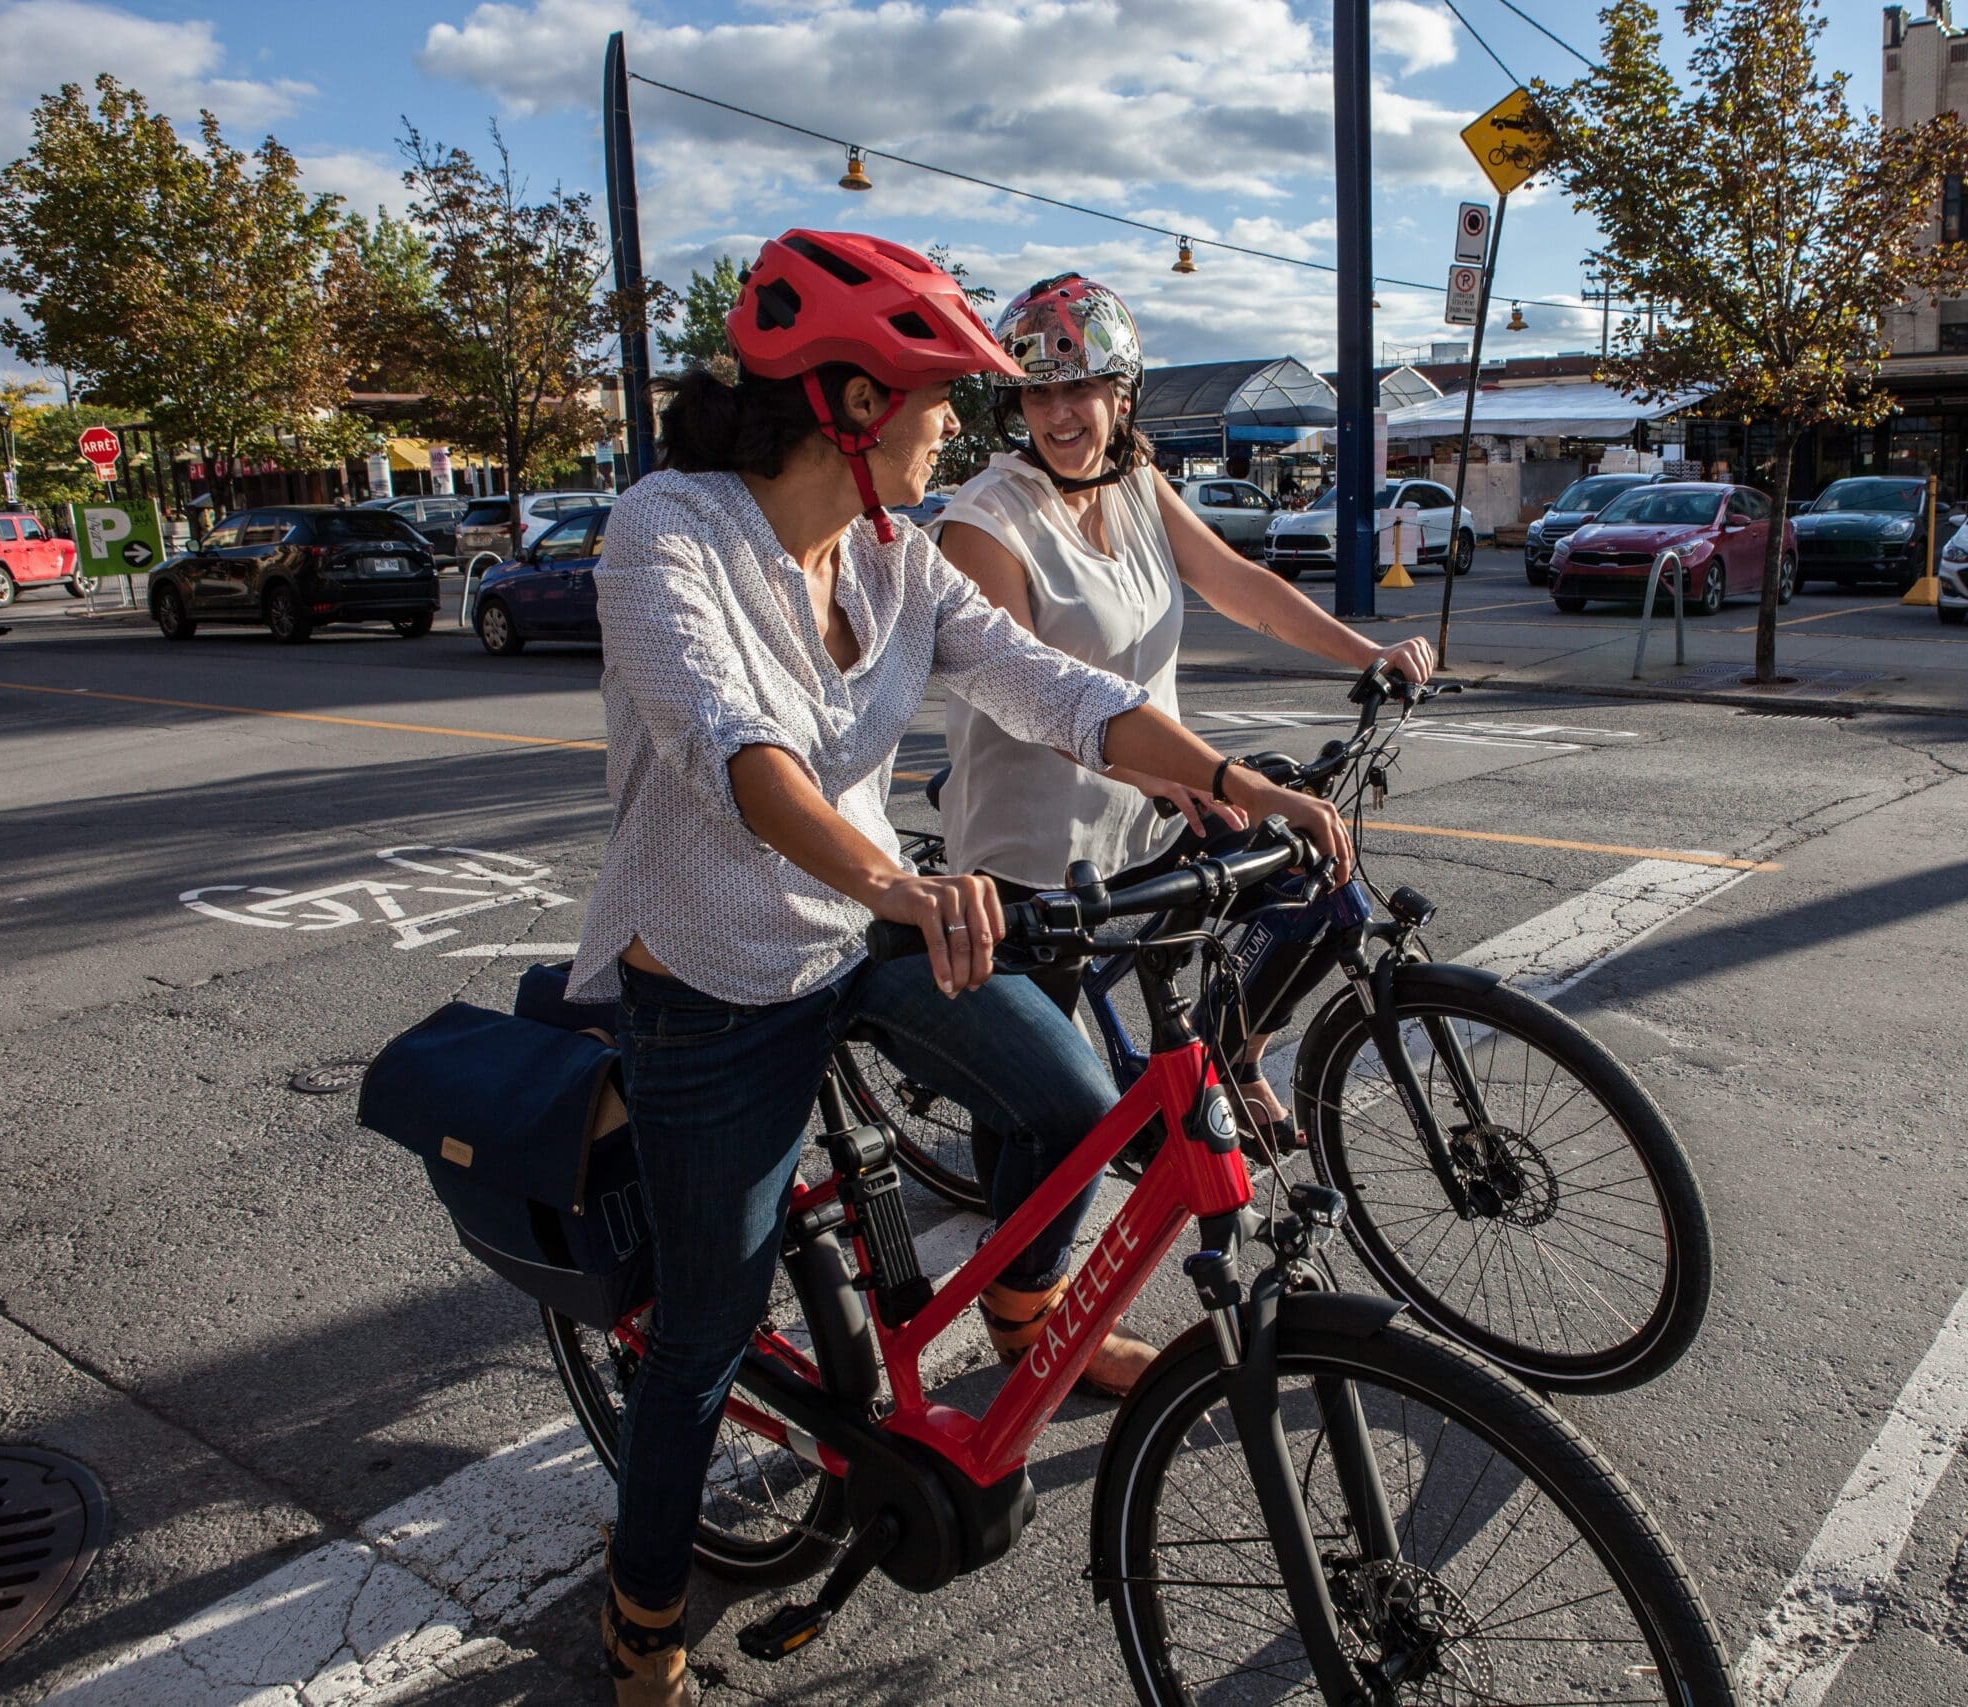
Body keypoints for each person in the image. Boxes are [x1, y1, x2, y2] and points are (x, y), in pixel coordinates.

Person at [564, 230, 1349, 1707]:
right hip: (715, 979)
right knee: (705, 1335)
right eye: (938, 399)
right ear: (853, 402)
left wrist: (1234, 780)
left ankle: (998, 1318)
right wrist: (900, 882)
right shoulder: (665, 532)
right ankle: (643, 1615)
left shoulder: (892, 552)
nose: (957, 428)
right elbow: (737, 750)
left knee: (1073, 1110)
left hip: (863, 924)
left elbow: (1056, 686)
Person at [934, 274, 1429, 1147]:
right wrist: (1191, 774)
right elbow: (1031, 700)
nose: (1059, 414)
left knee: (1305, 874)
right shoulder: (987, 523)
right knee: (1039, 1112)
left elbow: (1241, 587)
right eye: (1038, 392)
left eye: (1081, 386)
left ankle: (1229, 1056)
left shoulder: (1134, 480)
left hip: (1154, 810)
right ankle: (1023, 1252)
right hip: (1036, 847)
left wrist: (1370, 653)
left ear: (1122, 395)